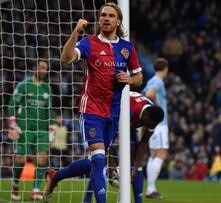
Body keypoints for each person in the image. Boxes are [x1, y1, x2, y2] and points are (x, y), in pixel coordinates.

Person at [43, 2, 143, 203]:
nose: (106, 18)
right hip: (91, 110)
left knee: (93, 162)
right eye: (103, 15)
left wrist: (129, 80)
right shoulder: (89, 43)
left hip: (113, 114)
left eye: (111, 16)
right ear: (99, 20)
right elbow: (66, 58)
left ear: (118, 21)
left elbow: (139, 78)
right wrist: (76, 31)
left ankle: (56, 176)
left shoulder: (127, 48)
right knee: (98, 160)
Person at [83, 91, 164, 203]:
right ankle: (87, 199)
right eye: (150, 124)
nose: (151, 127)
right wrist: (111, 164)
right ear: (145, 116)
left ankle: (138, 200)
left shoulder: (153, 117)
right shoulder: (130, 111)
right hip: (112, 114)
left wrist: (135, 169)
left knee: (134, 158)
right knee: (100, 159)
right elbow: (108, 139)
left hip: (130, 120)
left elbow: (144, 143)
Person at [7, 59, 52, 200]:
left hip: (41, 129)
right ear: (35, 68)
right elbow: (11, 104)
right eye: (42, 68)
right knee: (21, 159)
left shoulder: (47, 88)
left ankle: (36, 189)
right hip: (25, 128)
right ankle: (15, 184)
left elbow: (49, 110)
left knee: (42, 157)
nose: (45, 71)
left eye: (46, 68)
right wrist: (13, 124)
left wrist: (51, 129)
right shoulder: (24, 85)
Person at [143, 57, 169, 199]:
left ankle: (150, 188)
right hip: (160, 124)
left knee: (154, 155)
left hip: (153, 124)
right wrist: (158, 108)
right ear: (165, 68)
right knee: (162, 154)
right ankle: (151, 189)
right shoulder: (157, 81)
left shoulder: (150, 81)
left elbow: (144, 95)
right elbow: (150, 94)